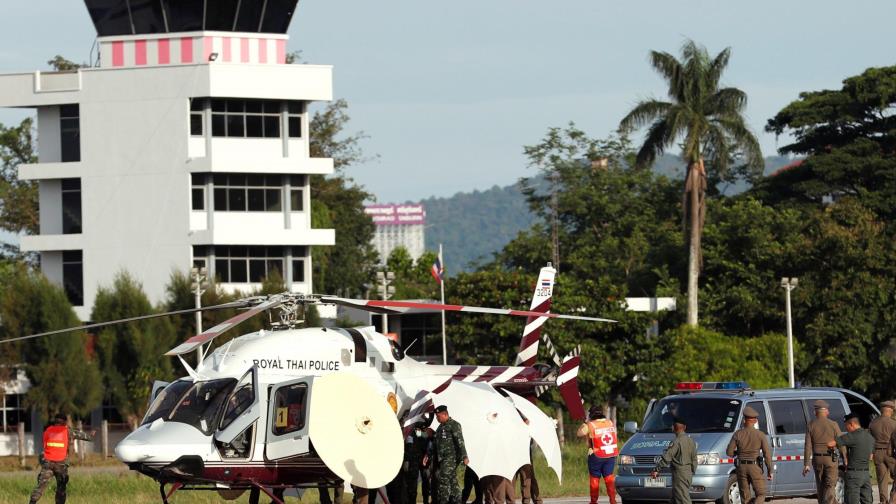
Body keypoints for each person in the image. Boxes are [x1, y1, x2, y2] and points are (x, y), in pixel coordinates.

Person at [29, 413, 94, 504]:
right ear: (64, 422)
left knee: (41, 486)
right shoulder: (67, 431)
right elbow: (86, 437)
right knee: (61, 488)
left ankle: (32, 502)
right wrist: (91, 434)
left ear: (55, 421)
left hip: (48, 463)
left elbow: (45, 446)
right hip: (61, 464)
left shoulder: (47, 431)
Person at [725, 406, 773, 504]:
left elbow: (729, 453)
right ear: (755, 421)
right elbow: (767, 454)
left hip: (741, 467)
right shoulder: (760, 435)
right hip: (754, 467)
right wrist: (770, 470)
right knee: (761, 494)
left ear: (744, 420)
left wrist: (739, 453)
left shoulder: (737, 434)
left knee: (745, 497)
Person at [423, 405, 469, 504]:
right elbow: (436, 443)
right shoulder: (440, 427)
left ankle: (443, 501)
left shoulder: (454, 425)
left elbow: (460, 441)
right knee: (453, 482)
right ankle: (458, 501)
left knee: (443, 481)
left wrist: (464, 456)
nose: (437, 418)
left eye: (438, 416)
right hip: (442, 459)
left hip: (450, 459)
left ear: (445, 414)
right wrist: (428, 454)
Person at [576, 406, 619, 504]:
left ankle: (593, 501)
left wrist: (584, 423)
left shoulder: (590, 425)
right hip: (610, 455)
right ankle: (613, 500)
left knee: (595, 479)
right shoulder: (609, 422)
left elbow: (579, 433)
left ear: (591, 414)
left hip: (597, 455)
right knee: (609, 478)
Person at [804, 400, 843, 504]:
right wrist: (846, 458)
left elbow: (808, 445)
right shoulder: (833, 424)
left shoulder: (811, 425)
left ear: (815, 412)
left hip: (817, 459)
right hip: (830, 458)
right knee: (830, 485)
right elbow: (841, 443)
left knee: (820, 486)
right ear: (826, 411)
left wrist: (806, 464)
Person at [651, 417, 697, 504]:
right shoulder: (691, 441)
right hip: (688, 473)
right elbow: (694, 459)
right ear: (685, 427)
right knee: (675, 498)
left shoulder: (676, 442)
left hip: (680, 474)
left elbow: (667, 457)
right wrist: (692, 471)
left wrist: (656, 470)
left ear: (674, 428)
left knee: (683, 499)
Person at [830, 413, 874, 504]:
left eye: (847, 426)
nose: (846, 429)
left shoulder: (852, 436)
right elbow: (870, 457)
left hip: (853, 475)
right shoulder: (870, 437)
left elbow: (830, 444)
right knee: (867, 501)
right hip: (866, 474)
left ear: (852, 424)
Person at [870, 401, 896, 504]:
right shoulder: (894, 423)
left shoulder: (873, 424)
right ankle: (893, 500)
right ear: (891, 410)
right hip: (891, 454)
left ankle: (883, 501)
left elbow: (870, 440)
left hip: (878, 453)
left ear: (881, 410)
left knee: (882, 480)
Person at [514, 418, 541, 504]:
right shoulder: (511, 419)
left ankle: (532, 501)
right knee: (511, 480)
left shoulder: (527, 420)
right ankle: (510, 500)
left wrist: (527, 427)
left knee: (528, 478)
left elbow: (531, 441)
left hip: (525, 453)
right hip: (513, 453)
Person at [405, 422, 429, 504]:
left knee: (425, 481)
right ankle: (412, 501)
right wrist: (407, 459)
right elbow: (409, 445)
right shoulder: (411, 430)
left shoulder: (423, 428)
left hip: (424, 459)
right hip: (414, 459)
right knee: (413, 483)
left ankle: (425, 500)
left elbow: (427, 437)